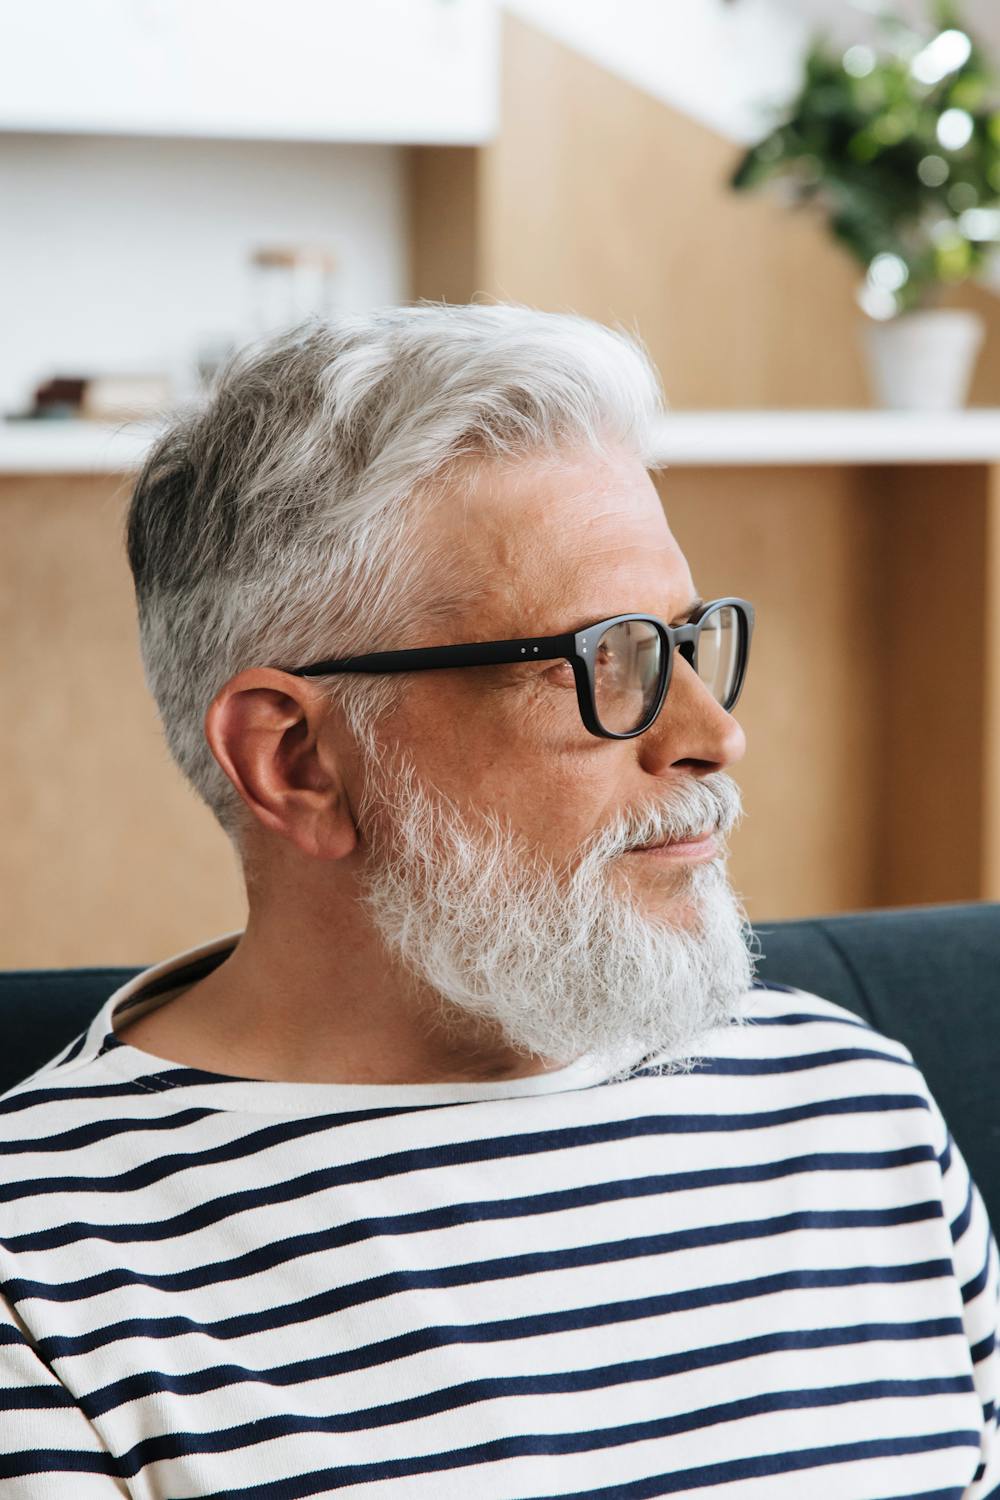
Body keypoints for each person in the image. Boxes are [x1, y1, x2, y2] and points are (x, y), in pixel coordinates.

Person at [1, 304, 996, 1498]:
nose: (713, 734)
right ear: (296, 762)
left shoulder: (853, 1108)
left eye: (686, 643)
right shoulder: (44, 1273)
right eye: (599, 661)